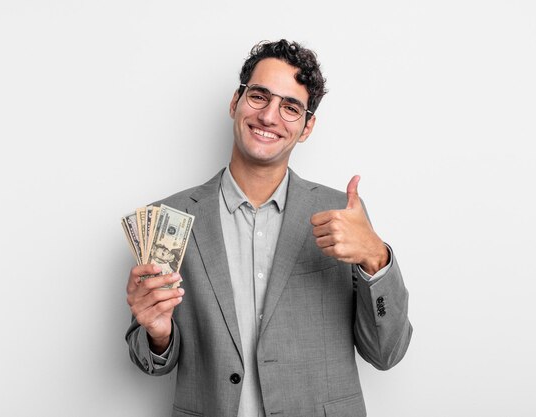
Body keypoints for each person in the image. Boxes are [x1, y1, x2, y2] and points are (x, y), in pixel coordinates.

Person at [125, 39, 412, 417]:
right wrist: (158, 335)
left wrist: (376, 256)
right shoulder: (169, 217)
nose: (269, 116)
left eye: (290, 107)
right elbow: (151, 361)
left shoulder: (343, 216)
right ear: (235, 102)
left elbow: (386, 353)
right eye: (259, 96)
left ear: (307, 126)